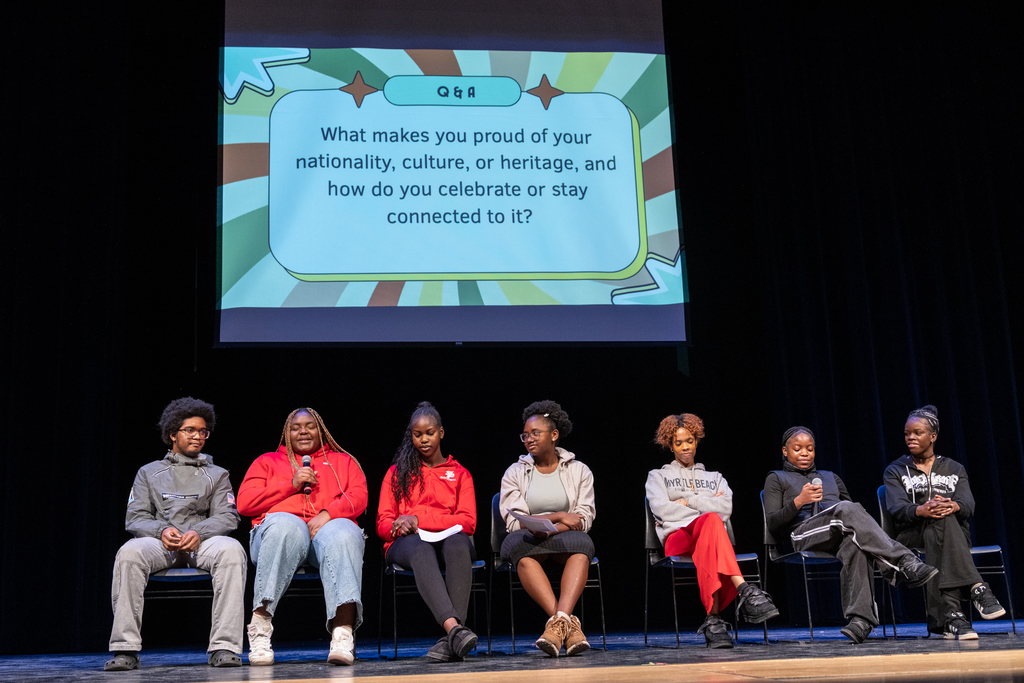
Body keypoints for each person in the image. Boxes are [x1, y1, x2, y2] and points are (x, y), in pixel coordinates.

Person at [105, 397, 246, 671]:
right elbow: (136, 517)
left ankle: (224, 647)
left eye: (203, 431)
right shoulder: (148, 472)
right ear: (172, 433)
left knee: (232, 550)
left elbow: (227, 516)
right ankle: (125, 649)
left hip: (201, 544)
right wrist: (161, 530)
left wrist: (199, 531)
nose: (198, 436)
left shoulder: (218, 474)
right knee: (129, 552)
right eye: (190, 430)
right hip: (161, 544)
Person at [763, 426, 939, 644]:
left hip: (836, 533)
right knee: (846, 509)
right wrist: (799, 501)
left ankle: (861, 620)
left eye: (809, 448)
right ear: (785, 451)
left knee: (856, 544)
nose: (804, 453)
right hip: (803, 534)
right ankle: (903, 561)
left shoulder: (830, 477)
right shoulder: (777, 478)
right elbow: (773, 523)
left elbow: (856, 516)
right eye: (797, 449)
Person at [238, 408, 367, 666]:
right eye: (296, 427)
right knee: (285, 524)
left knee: (344, 532)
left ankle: (343, 634)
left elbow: (359, 496)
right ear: (287, 433)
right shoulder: (267, 462)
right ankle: (260, 628)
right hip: (280, 537)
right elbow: (245, 503)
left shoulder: (343, 462)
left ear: (321, 431)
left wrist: (328, 514)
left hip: (326, 535)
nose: (303, 431)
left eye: (310, 426)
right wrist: (291, 484)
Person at [646, 413, 779, 648]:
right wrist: (707, 504)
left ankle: (714, 621)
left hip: (708, 541)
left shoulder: (715, 477)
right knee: (711, 520)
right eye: (679, 443)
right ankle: (744, 589)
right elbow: (663, 510)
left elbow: (726, 508)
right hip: (677, 539)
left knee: (711, 527)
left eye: (690, 441)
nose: (685, 447)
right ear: (670, 445)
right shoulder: (658, 476)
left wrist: (688, 502)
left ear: (697, 441)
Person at [883, 405, 1006, 640]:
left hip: (953, 534)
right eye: (907, 433)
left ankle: (951, 618)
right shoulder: (895, 470)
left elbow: (968, 505)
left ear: (933, 436)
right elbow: (896, 508)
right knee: (939, 524)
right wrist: (922, 509)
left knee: (941, 523)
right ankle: (977, 587)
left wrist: (953, 506)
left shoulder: (954, 468)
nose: (910, 438)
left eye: (917, 433)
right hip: (911, 533)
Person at [376, 402, 479, 662]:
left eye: (429, 433)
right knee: (421, 549)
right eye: (417, 434)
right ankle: (455, 629)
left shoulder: (460, 474)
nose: (423, 439)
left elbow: (467, 522)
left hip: (449, 539)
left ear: (441, 433)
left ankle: (452, 638)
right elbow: (382, 524)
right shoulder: (397, 473)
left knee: (458, 543)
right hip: (408, 543)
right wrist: (399, 526)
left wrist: (420, 519)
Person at [499, 400, 595, 657]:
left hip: (563, 537)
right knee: (518, 549)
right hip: (528, 536)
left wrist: (552, 528)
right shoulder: (515, 472)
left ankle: (556, 626)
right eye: (525, 435)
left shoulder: (579, 470)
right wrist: (560, 516)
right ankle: (567, 625)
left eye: (535, 433)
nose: (528, 439)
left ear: (554, 435)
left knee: (583, 546)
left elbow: (584, 518)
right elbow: (514, 519)